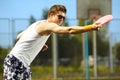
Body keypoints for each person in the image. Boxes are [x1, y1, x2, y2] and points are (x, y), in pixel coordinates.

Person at [3, 4, 102, 80]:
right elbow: (69, 30)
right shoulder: (47, 25)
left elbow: (19, 36)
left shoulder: (37, 24)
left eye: (63, 18)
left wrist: (38, 43)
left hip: (23, 64)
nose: (61, 20)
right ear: (51, 15)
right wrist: (90, 27)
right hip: (15, 61)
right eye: (59, 17)